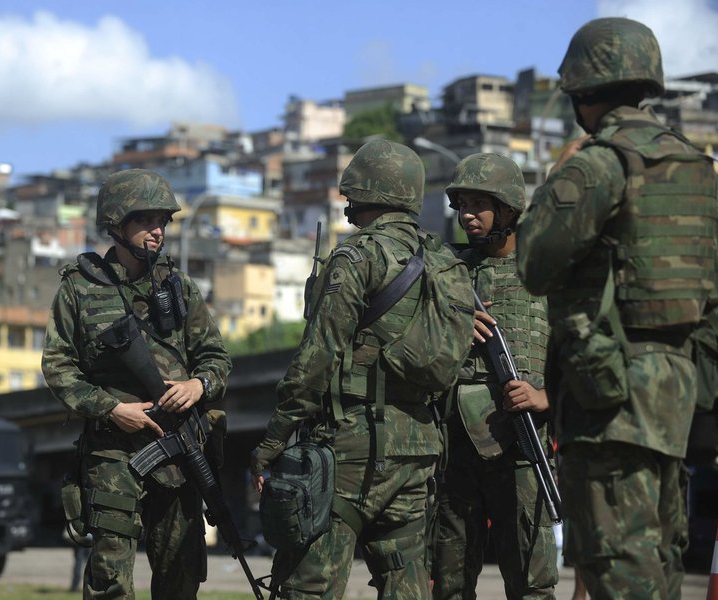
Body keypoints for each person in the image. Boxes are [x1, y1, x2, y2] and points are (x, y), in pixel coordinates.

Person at [516, 17, 718, 599]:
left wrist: (557, 177)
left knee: (617, 571)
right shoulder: (697, 171)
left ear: (583, 93)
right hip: (675, 398)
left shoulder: (599, 165)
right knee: (657, 564)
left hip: (607, 398)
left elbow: (533, 263)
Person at [250, 139, 471, 599]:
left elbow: (317, 357)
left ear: (364, 192)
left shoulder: (357, 257)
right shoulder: (446, 262)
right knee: (405, 580)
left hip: (350, 446)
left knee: (306, 583)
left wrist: (274, 440)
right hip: (418, 447)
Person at [42, 169, 232, 600]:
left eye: (162, 221)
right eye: (145, 221)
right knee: (110, 578)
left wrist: (198, 386)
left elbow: (216, 358)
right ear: (116, 224)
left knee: (182, 574)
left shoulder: (179, 287)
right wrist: (111, 409)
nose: (157, 231)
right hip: (112, 452)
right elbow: (57, 367)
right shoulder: (78, 288)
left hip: (179, 447)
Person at [432, 153, 558, 599]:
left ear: (508, 210)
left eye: (478, 204)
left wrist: (547, 397)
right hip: (454, 447)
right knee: (448, 582)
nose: (466, 214)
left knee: (531, 581)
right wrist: (451, 325)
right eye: (461, 203)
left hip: (522, 444)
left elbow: (580, 352)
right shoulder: (445, 273)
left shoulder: (545, 273)